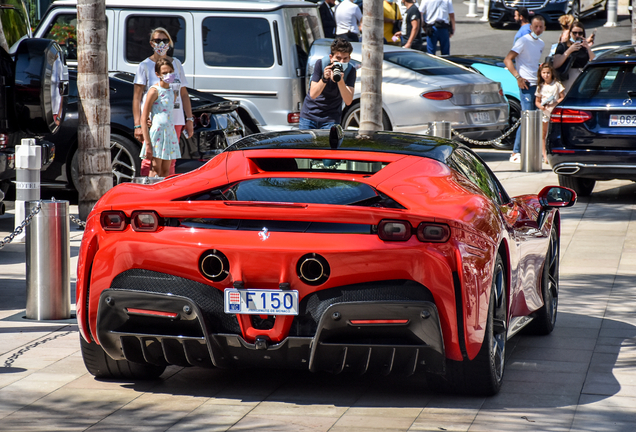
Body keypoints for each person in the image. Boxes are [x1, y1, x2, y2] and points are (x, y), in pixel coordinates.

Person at [133, 27, 193, 177]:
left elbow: (184, 94)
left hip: (175, 120)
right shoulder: (145, 66)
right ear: (151, 43)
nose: (161, 43)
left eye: (165, 40)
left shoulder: (176, 64)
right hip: (154, 122)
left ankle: (167, 194)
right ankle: (147, 193)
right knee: (150, 159)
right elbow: (137, 97)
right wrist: (138, 125)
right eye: (157, 40)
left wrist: (189, 119)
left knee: (170, 160)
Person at [504, 15, 546, 163]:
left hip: (537, 85)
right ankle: (516, 151)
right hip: (526, 85)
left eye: (541, 26)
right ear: (531, 27)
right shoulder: (522, 41)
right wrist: (518, 77)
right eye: (536, 26)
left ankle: (534, 151)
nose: (538, 29)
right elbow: (508, 59)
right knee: (526, 118)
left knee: (537, 119)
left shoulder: (541, 43)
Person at [298, 37, 356, 130]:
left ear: (349, 58)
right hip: (309, 116)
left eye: (345, 59)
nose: (341, 62)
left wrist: (340, 81)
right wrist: (324, 79)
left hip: (331, 119)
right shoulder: (321, 64)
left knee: (330, 144)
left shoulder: (350, 70)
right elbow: (313, 94)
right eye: (338, 58)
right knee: (306, 145)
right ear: (331, 57)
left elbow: (348, 101)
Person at [140, 58, 181, 178]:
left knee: (165, 171)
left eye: (170, 72)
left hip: (169, 133)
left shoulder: (172, 92)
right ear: (158, 74)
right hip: (158, 133)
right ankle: (151, 195)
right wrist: (147, 143)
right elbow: (144, 117)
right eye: (164, 73)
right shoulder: (154, 91)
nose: (168, 75)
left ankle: (163, 196)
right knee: (155, 168)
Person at [552, 21, 595, 93]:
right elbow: (556, 64)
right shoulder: (563, 46)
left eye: (580, 33)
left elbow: (594, 60)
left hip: (582, 76)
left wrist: (587, 48)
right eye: (574, 33)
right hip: (568, 77)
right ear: (570, 33)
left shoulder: (584, 47)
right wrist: (569, 50)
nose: (577, 35)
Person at [535, 63, 565, 164]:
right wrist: (541, 106)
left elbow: (562, 97)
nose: (546, 75)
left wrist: (555, 102)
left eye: (548, 73)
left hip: (554, 112)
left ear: (551, 73)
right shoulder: (540, 86)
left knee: (553, 134)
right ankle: (544, 155)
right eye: (543, 73)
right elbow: (537, 101)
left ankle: (553, 153)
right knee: (543, 134)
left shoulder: (557, 85)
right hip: (544, 113)